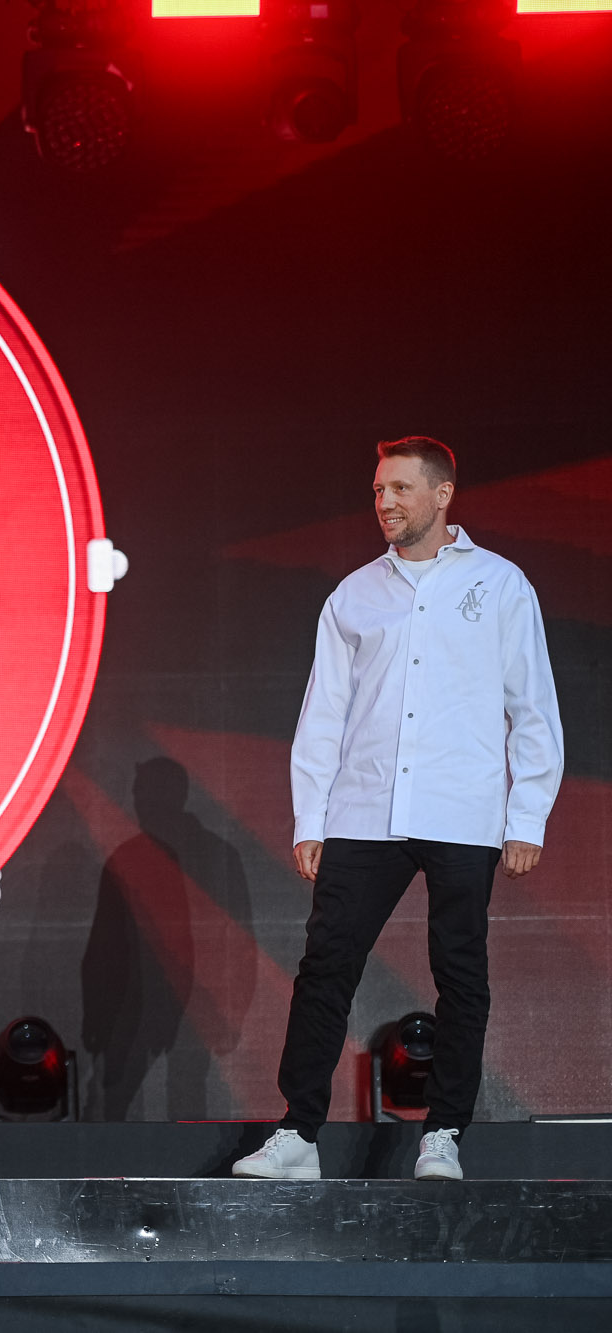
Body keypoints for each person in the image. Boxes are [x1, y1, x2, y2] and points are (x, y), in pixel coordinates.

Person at [235, 437, 563, 1183]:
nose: (385, 502)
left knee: (460, 972)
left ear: (442, 495)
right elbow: (324, 713)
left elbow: (532, 706)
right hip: (364, 807)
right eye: (379, 490)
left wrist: (527, 816)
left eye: (401, 489)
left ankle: (442, 1134)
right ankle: (298, 1134)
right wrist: (311, 817)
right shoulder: (354, 595)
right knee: (326, 966)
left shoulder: (499, 584)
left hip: (462, 807)